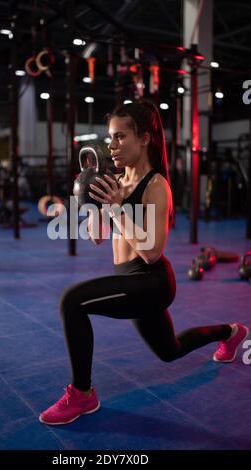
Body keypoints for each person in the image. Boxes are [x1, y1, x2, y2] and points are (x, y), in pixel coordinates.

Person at [39, 101, 249, 426]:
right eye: (110, 138)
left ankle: (82, 394)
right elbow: (98, 237)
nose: (112, 146)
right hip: (129, 279)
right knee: (170, 350)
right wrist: (91, 199)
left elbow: (151, 251)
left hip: (150, 281)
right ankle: (232, 332)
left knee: (72, 302)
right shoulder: (119, 181)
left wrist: (117, 206)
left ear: (145, 139)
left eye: (120, 137)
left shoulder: (156, 186)